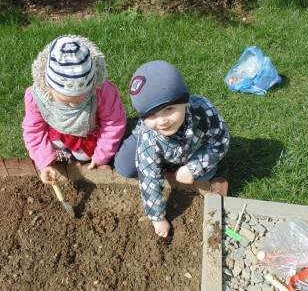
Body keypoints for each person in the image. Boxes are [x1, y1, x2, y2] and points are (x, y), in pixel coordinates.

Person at [114, 61, 230, 238]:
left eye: (169, 109)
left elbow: (220, 141)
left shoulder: (204, 112)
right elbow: (149, 178)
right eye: (151, 115)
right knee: (124, 166)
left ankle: (178, 165)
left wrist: (193, 167)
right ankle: (161, 160)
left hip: (191, 146)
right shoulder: (149, 135)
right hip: (155, 145)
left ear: (185, 102)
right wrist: (157, 218)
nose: (162, 121)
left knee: (205, 175)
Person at [22, 35, 126, 185]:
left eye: (80, 100)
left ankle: (72, 154)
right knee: (52, 148)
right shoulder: (37, 97)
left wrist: (101, 156)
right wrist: (44, 162)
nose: (73, 105)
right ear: (49, 87)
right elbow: (33, 129)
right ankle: (61, 152)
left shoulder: (102, 92)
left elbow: (113, 124)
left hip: (87, 131)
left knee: (83, 156)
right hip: (58, 129)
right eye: (66, 101)